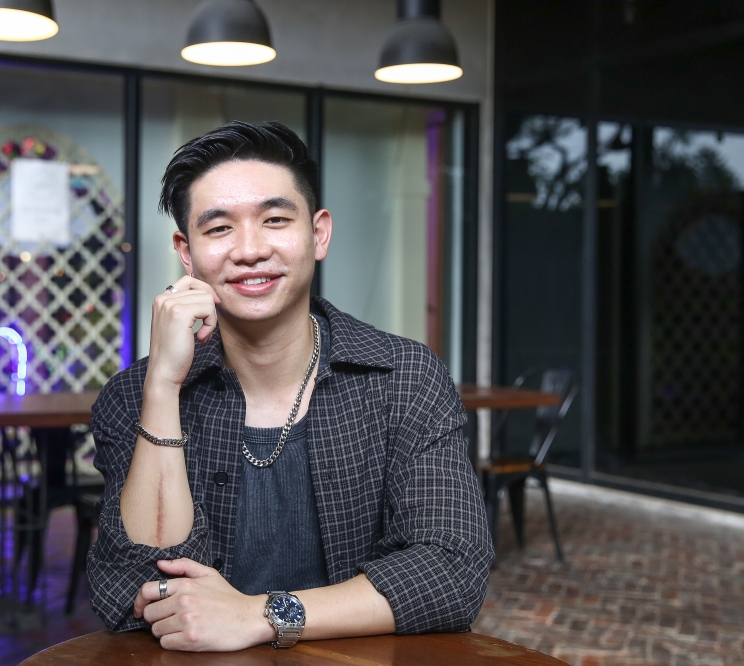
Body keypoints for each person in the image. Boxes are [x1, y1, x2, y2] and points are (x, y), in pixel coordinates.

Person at [87, 120, 493, 652]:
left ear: (318, 234)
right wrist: (163, 386)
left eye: (275, 220)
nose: (250, 250)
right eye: (219, 229)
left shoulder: (404, 377)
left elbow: (452, 570)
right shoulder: (132, 395)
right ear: (186, 254)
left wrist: (261, 615)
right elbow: (128, 585)